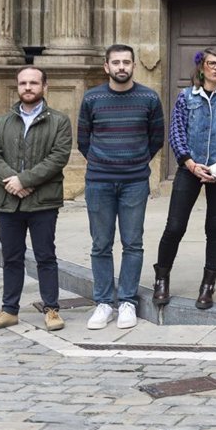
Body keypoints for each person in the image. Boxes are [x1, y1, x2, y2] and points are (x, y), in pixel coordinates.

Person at [78, 44, 165, 330]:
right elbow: (83, 140)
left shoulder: (149, 98)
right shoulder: (92, 98)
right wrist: (104, 160)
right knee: (100, 244)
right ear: (106, 67)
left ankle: (127, 300)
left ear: (133, 65)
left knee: (133, 243)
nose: (121, 67)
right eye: (115, 62)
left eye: (126, 62)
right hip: (99, 181)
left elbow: (156, 138)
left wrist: (135, 161)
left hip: (134, 182)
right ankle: (104, 302)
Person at [152, 48, 216, 311]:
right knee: (174, 226)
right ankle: (162, 277)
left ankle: (208, 285)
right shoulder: (186, 96)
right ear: (201, 67)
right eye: (211, 63)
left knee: (215, 228)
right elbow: (177, 130)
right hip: (189, 170)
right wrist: (189, 163)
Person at [0, 67, 72, 332]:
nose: (28, 87)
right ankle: (9, 310)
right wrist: (13, 181)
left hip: (43, 201)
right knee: (11, 257)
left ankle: (52, 309)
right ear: (17, 86)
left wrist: (26, 180)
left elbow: (58, 157)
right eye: (23, 83)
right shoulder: (3, 121)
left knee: (46, 256)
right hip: (8, 201)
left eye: (33, 82)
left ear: (45, 86)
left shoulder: (59, 120)